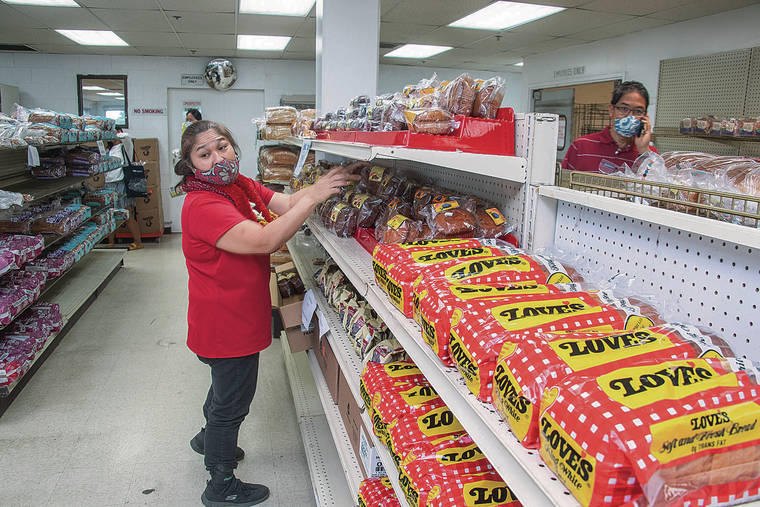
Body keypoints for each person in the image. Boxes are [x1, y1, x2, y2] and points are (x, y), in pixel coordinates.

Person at [175, 120, 362, 507]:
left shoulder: (235, 185)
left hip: (233, 315)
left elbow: (284, 203)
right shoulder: (204, 204)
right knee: (233, 401)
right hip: (225, 324)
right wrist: (314, 200)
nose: (217, 158)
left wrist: (327, 183)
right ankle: (220, 483)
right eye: (204, 154)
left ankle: (207, 438)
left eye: (222, 147)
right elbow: (266, 239)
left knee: (223, 387)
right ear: (191, 165)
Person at [562, 81, 656, 173]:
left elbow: (657, 185)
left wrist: (643, 150)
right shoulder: (581, 146)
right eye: (624, 109)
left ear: (645, 116)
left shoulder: (649, 154)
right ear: (611, 110)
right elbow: (562, 184)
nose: (630, 116)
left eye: (638, 111)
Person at [104, 131, 144, 250]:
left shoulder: (125, 146)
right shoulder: (108, 150)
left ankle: (138, 242)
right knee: (110, 213)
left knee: (127, 213)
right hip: (109, 184)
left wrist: (117, 133)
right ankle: (111, 242)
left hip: (122, 183)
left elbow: (126, 138)